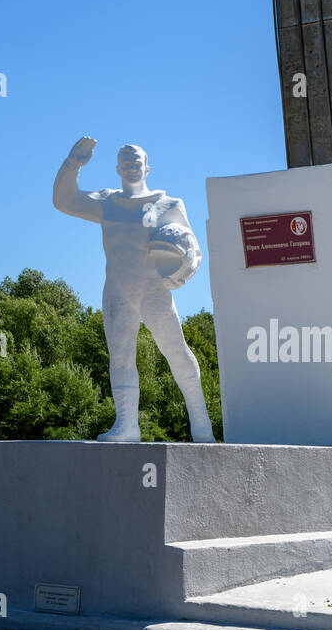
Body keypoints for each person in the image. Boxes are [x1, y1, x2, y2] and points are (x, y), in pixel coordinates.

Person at [51, 136, 214, 443]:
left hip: (154, 291)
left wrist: (182, 273)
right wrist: (72, 163)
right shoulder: (106, 203)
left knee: (176, 352)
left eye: (136, 162)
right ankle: (127, 426)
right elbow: (64, 201)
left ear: (147, 167)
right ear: (117, 169)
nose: (131, 167)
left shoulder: (168, 205)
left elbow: (192, 249)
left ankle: (202, 424)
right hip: (117, 292)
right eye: (125, 163)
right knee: (121, 357)